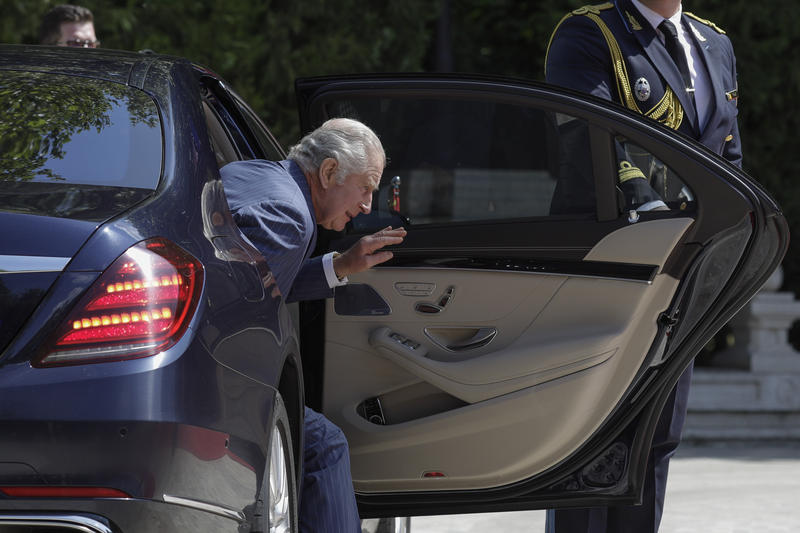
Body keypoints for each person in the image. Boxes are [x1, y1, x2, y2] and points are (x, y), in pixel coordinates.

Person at [545, 1, 741, 532]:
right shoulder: (590, 32)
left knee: (656, 437)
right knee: (590, 440)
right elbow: (591, 135)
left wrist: (728, 246)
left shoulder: (714, 43)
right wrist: (653, 211)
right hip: (610, 267)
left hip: (686, 273)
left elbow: (728, 153)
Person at [220, 118, 406, 533]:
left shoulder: (255, 173)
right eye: (366, 187)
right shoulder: (290, 217)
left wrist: (341, 265)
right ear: (327, 172)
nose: (368, 206)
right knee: (324, 446)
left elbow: (268, 283)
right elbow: (246, 321)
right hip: (217, 387)